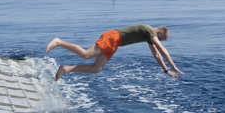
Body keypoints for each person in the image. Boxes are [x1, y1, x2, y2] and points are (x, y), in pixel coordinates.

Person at [46, 25, 184, 81]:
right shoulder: (149, 31)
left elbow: (157, 54)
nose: (159, 41)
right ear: (159, 32)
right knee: (86, 55)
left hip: (115, 44)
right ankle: (59, 42)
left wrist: (166, 71)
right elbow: (162, 50)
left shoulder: (148, 37)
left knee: (96, 68)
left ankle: (66, 69)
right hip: (112, 37)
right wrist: (174, 66)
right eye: (161, 38)